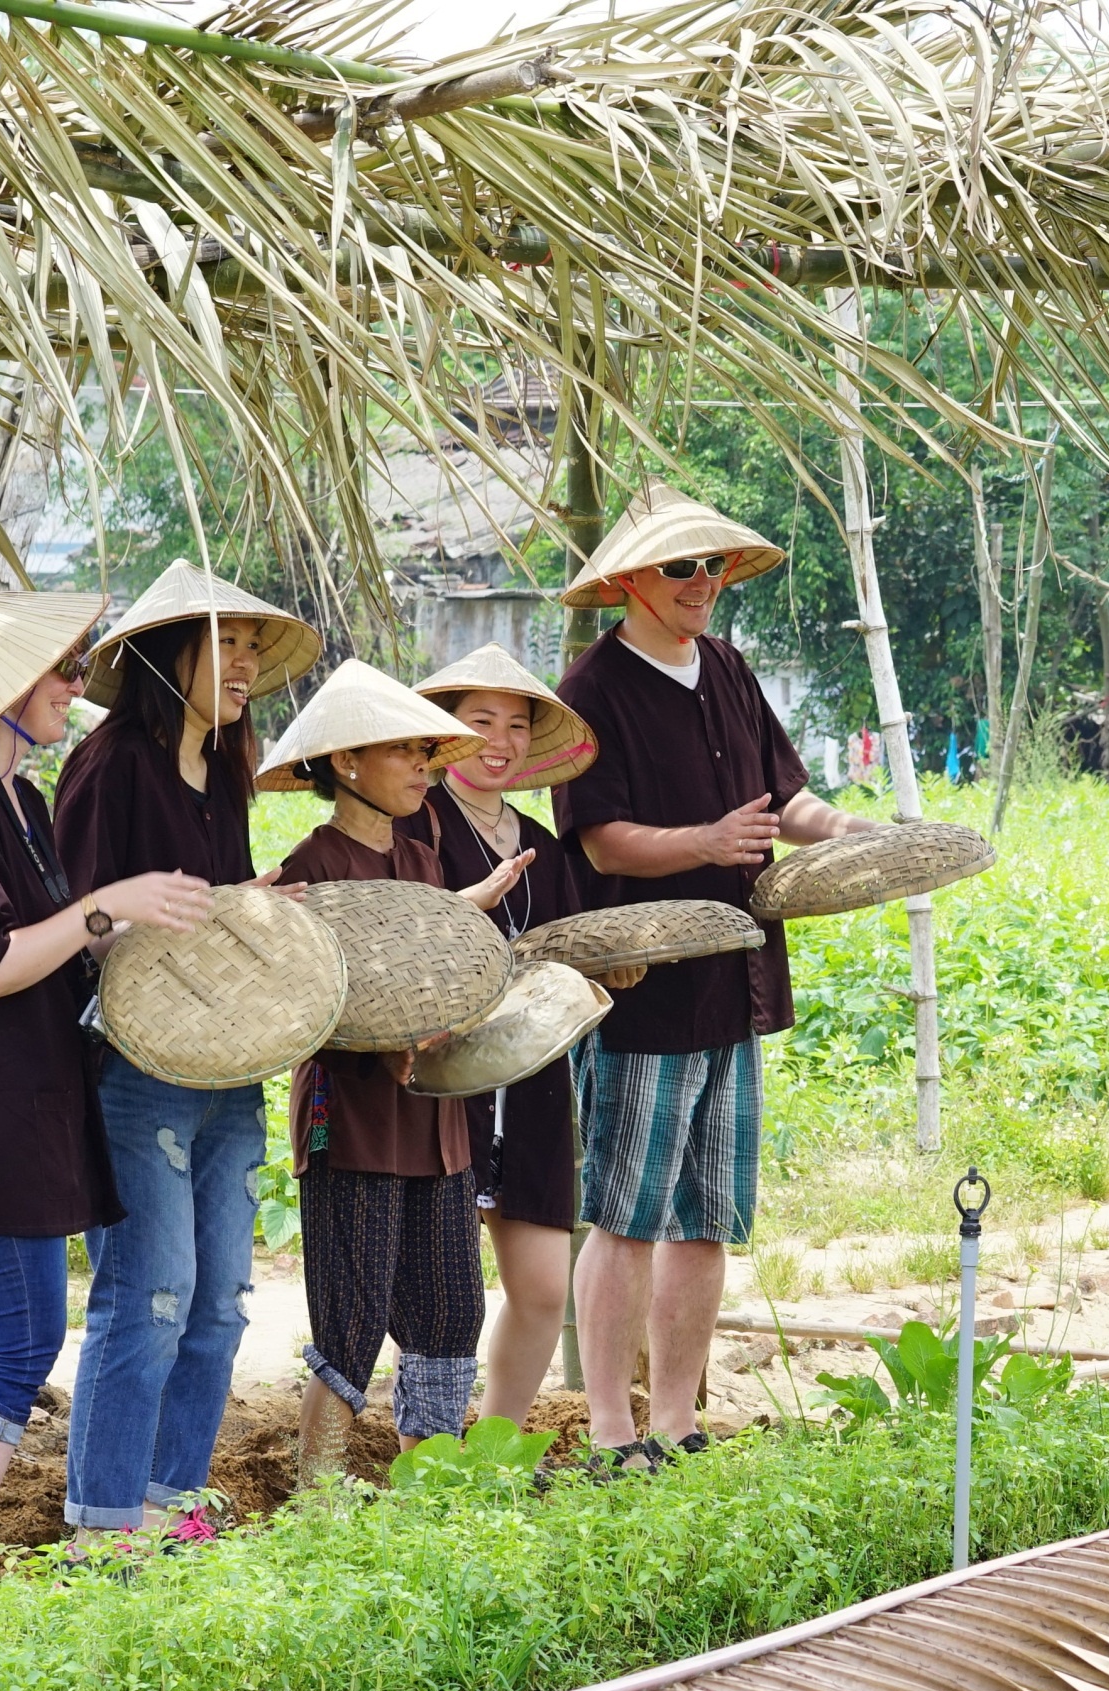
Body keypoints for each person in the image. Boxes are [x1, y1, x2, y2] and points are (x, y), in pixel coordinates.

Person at [0, 591, 210, 1583]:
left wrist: (143, 916)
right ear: (1, 686)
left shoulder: (17, 800)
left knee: (27, 1332)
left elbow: (57, 943)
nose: (74, 686)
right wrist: (103, 906)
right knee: (15, 1337)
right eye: (61, 668)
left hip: (23, 1105)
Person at [551, 481, 881, 1470]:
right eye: (680, 567)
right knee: (625, 1215)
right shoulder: (590, 690)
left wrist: (850, 831)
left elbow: (785, 801)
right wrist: (703, 840)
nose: (702, 582)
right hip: (644, 989)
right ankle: (610, 1430)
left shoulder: (729, 667)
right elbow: (599, 839)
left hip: (735, 981)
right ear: (627, 581)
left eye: (713, 565)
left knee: (707, 1219)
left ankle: (677, 1422)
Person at [52, 562, 319, 1533]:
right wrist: (177, 918)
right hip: (136, 1072)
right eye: (223, 644)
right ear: (170, 659)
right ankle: (103, 1529)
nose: (243, 662)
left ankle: (176, 1519)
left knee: (219, 1306)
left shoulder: (225, 771)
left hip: (227, 1067)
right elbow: (78, 925)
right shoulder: (110, 765)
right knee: (149, 1295)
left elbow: (214, 909)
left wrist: (251, 906)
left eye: (250, 645)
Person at [261, 662, 528, 1470]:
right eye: (403, 751)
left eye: (425, 751)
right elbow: (300, 1001)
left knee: (450, 1310)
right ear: (345, 762)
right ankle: (318, 1495)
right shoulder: (310, 865)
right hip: (352, 1121)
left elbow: (430, 965)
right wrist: (382, 1036)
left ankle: (429, 1485)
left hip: (435, 1119)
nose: (422, 766)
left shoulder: (422, 856)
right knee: (350, 1319)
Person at [405, 644, 622, 1428]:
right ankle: (424, 1455)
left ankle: (494, 1452)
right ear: (445, 732)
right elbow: (397, 944)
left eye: (517, 725)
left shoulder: (543, 843)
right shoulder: (415, 823)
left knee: (540, 1289)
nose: (500, 740)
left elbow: (565, 951)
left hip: (530, 1086)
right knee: (439, 1292)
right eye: (481, 721)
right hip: (436, 1086)